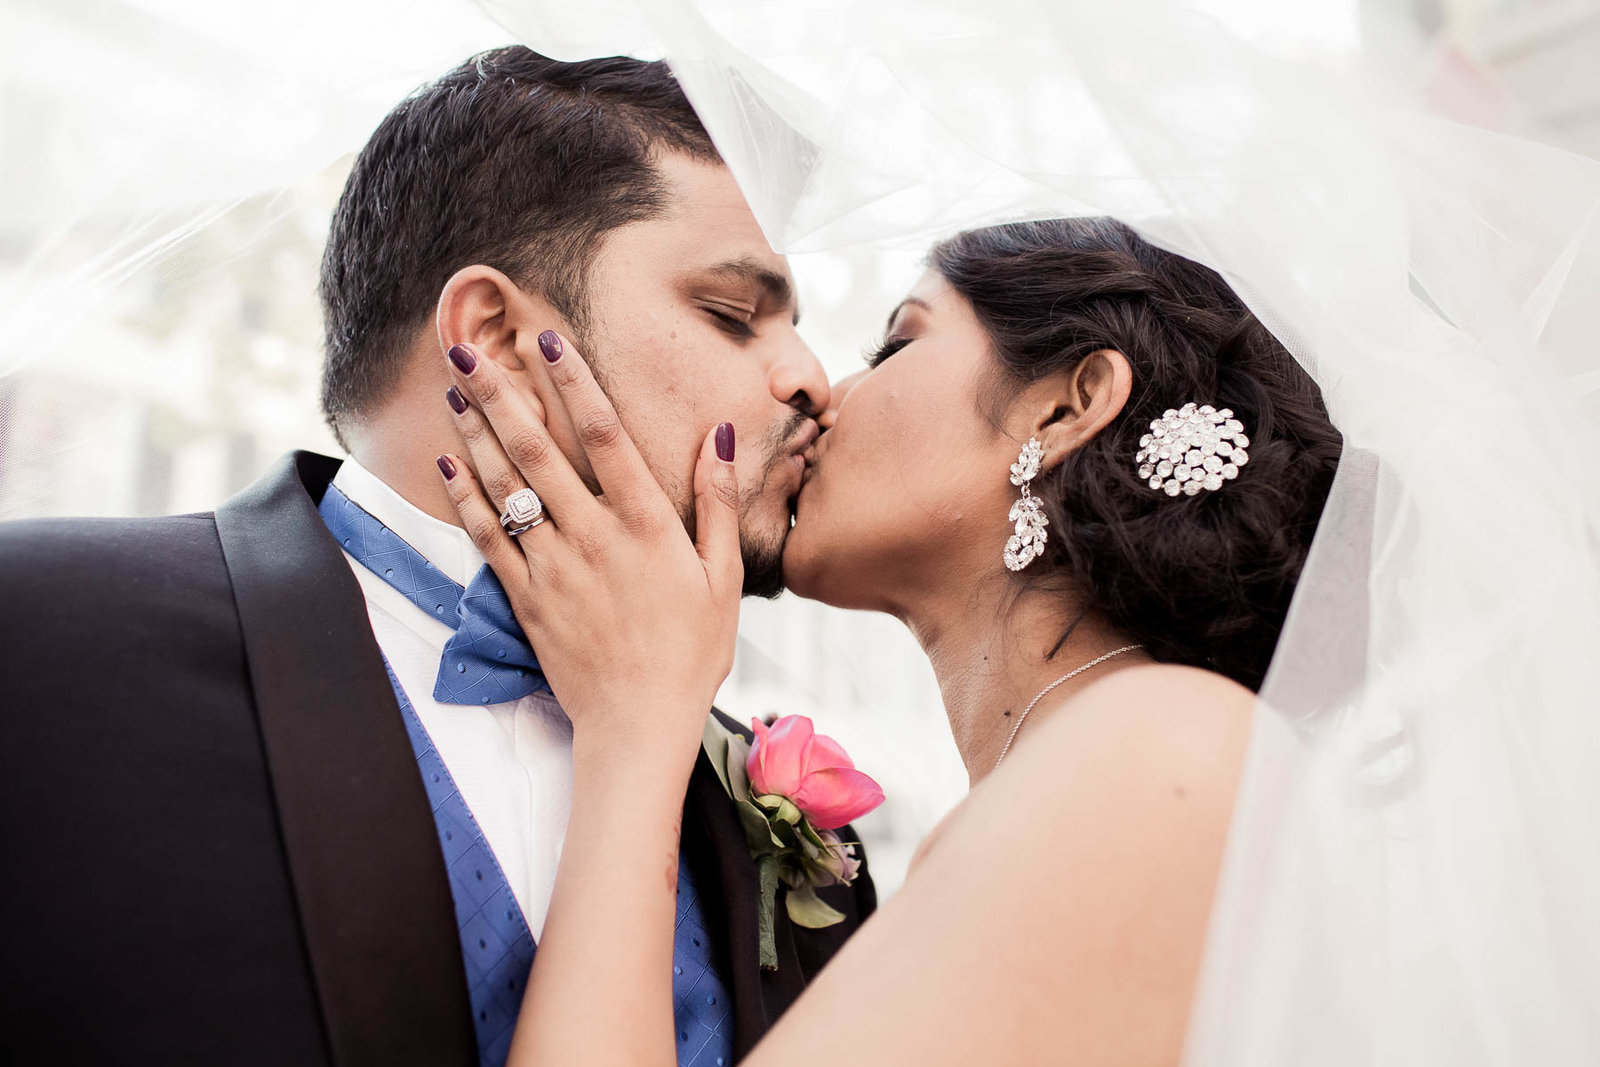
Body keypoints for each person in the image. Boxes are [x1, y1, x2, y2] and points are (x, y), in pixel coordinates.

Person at [0, 47, 874, 1066]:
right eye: (733, 312)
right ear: (494, 336)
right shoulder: (43, 638)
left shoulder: (802, 830)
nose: (813, 378)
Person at [433, 216, 1344, 1064]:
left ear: (1067, 410)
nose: (823, 390)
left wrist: (635, 728)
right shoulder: (1063, 783)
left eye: (899, 342)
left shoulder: (1166, 746)